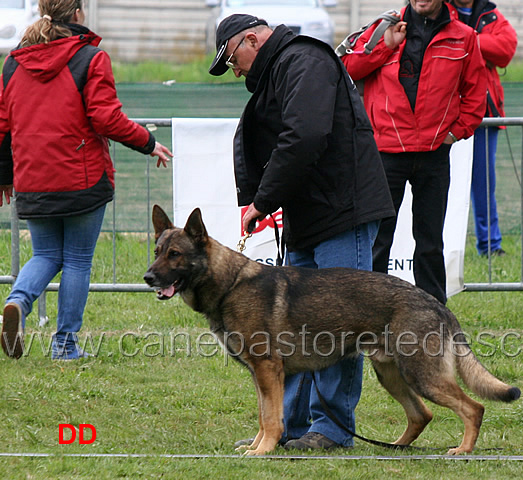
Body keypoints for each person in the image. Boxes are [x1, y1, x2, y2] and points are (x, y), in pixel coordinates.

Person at [208, 14, 395, 450]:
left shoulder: (304, 60)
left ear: (251, 39)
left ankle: (330, 431)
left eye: (233, 60)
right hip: (310, 214)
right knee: (290, 330)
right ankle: (286, 427)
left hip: (341, 211)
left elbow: (304, 136)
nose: (236, 71)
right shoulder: (282, 68)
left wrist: (263, 199)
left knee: (338, 325)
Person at [0, 0, 173, 360]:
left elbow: (4, 126)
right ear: (78, 13)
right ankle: (64, 345)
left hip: (31, 176)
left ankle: (17, 301)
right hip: (82, 177)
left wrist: (4, 176)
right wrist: (149, 142)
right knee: (77, 260)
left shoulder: (13, 63)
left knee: (45, 254)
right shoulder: (91, 58)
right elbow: (106, 118)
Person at [341, 0, 487, 305]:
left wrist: (454, 133)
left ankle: (434, 316)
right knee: (378, 241)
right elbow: (349, 70)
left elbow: (475, 95)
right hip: (386, 153)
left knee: (430, 242)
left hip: (434, 154)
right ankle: (369, 312)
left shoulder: (464, 36)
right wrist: (385, 44)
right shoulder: (382, 27)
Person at [450, 0, 517, 257]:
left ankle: (490, 246)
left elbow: (505, 49)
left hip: (483, 115)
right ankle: (441, 245)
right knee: (437, 185)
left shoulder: (491, 15)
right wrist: (479, 43)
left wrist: (466, 39)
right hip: (443, 113)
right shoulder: (438, 10)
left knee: (483, 185)